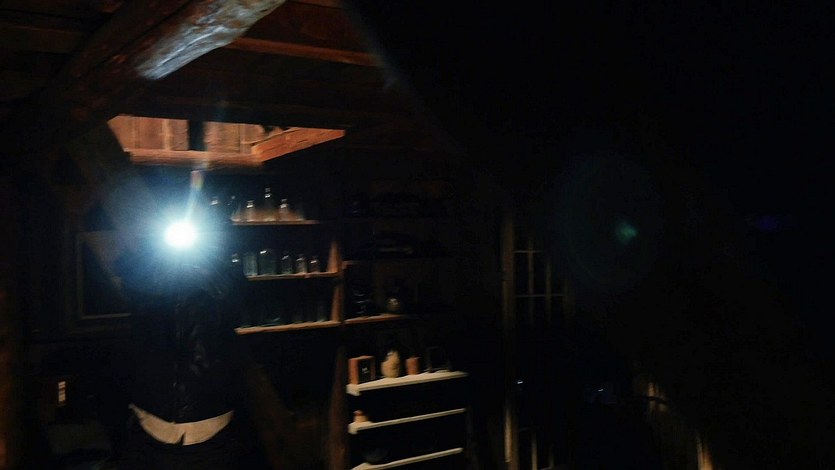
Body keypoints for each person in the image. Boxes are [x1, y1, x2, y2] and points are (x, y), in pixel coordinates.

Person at [115, 198, 248, 470]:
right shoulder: (147, 272)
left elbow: (236, 302)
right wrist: (155, 254)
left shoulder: (221, 273)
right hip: (152, 415)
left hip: (208, 416)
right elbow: (131, 280)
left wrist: (213, 254)